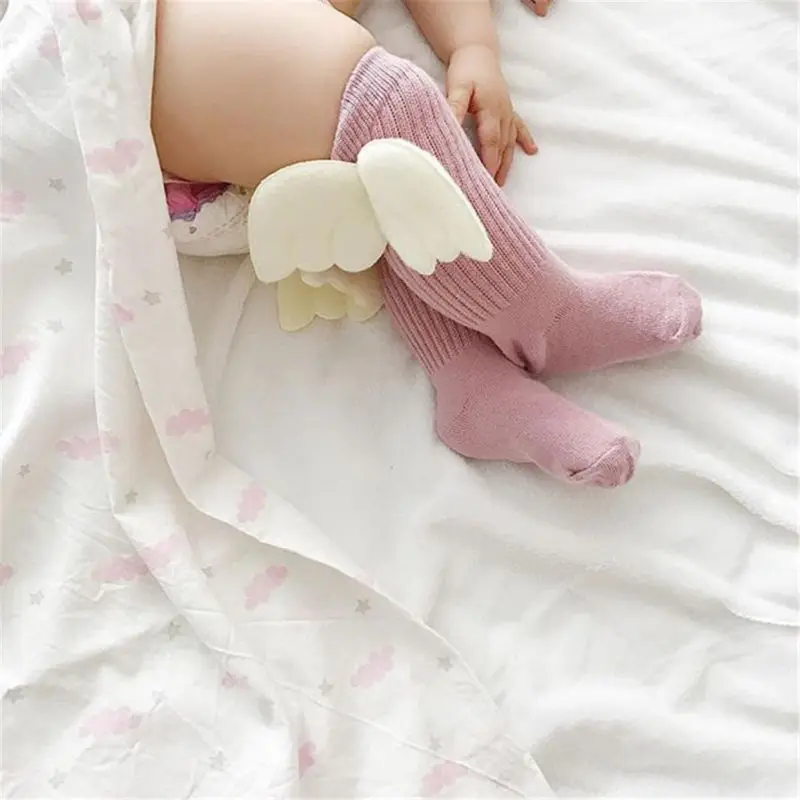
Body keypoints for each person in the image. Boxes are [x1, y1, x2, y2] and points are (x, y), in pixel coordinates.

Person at [152, 0, 703, 488]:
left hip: (257, 143)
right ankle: (547, 317)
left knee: (381, 183)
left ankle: (471, 383)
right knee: (388, 101)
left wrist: (472, 47)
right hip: (156, 63)